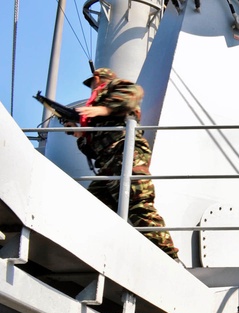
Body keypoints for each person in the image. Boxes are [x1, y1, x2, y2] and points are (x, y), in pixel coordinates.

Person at [68, 68, 179, 260]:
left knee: (138, 205)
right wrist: (79, 133)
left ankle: (170, 257)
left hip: (128, 154)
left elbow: (133, 93)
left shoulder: (114, 88)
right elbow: (93, 150)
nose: (91, 89)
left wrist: (101, 109)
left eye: (92, 84)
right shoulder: (98, 116)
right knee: (93, 207)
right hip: (108, 163)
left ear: (97, 79)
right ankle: (99, 256)